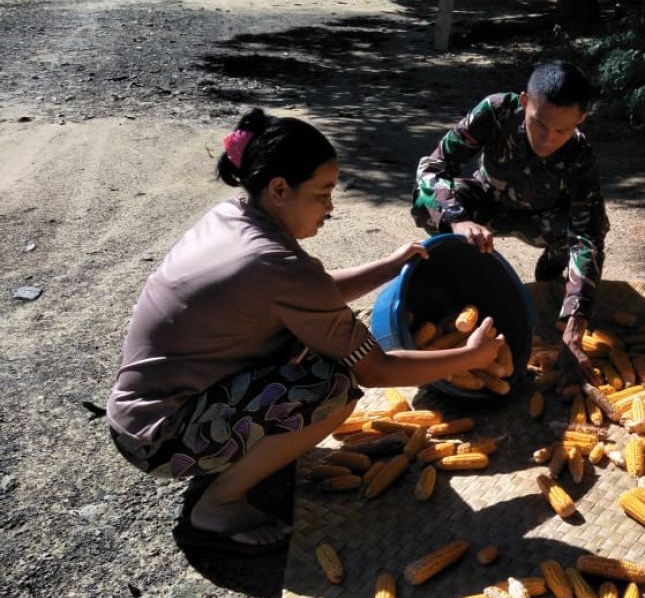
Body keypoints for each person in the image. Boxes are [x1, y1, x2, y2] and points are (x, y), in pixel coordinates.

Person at [107, 109, 504, 555]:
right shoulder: (274, 264)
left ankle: (250, 452)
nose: (330, 208)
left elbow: (312, 293)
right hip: (160, 438)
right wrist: (470, 358)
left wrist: (389, 266)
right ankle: (217, 505)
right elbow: (375, 369)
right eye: (322, 194)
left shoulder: (237, 214)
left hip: (145, 410)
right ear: (279, 189)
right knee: (332, 387)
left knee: (311, 345)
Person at [411, 60, 608, 379]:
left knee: (587, 228)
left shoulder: (580, 156)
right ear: (525, 102)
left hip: (542, 221)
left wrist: (576, 318)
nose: (546, 140)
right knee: (426, 202)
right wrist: (459, 220)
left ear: (580, 120)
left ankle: (552, 266)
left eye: (561, 130)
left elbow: (588, 235)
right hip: (488, 204)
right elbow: (434, 167)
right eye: (539, 124)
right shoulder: (496, 110)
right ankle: (452, 271)